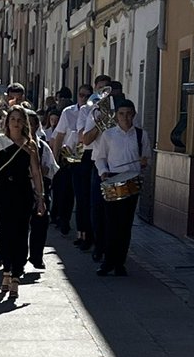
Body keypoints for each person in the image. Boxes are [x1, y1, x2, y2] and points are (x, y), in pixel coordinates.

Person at [0, 105, 46, 295]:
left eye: (20, 120)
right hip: (3, 191)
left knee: (21, 232)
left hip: (23, 192)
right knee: (4, 231)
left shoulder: (30, 144)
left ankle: (17, 274)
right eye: (13, 119)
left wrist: (40, 197)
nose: (16, 123)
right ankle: (6, 269)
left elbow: (35, 173)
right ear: (7, 122)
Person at [94, 100, 152, 276]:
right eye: (121, 114)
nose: (125, 117)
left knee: (125, 225)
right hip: (112, 180)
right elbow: (99, 158)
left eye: (128, 113)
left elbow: (146, 159)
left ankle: (120, 263)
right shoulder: (109, 135)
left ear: (133, 114)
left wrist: (144, 163)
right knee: (111, 223)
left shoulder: (142, 135)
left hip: (132, 183)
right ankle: (108, 262)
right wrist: (103, 172)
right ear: (116, 116)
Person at [73, 75, 113, 251]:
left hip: (112, 157)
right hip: (90, 157)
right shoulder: (87, 110)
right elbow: (84, 138)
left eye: (107, 89)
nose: (103, 93)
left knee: (106, 203)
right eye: (100, 89)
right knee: (88, 199)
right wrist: (100, 123)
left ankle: (104, 241)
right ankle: (89, 237)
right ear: (96, 88)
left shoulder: (116, 109)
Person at [52, 84, 91, 236]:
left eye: (87, 96)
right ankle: (64, 220)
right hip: (69, 154)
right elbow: (59, 135)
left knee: (81, 194)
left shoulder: (92, 112)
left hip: (85, 156)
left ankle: (83, 229)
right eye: (81, 95)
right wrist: (55, 158)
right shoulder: (68, 113)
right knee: (65, 191)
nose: (84, 98)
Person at [26, 109, 59, 271]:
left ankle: (36, 256)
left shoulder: (42, 146)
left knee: (40, 224)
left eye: (31, 124)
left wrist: (39, 171)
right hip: (19, 191)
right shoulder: (9, 145)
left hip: (39, 191)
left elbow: (52, 168)